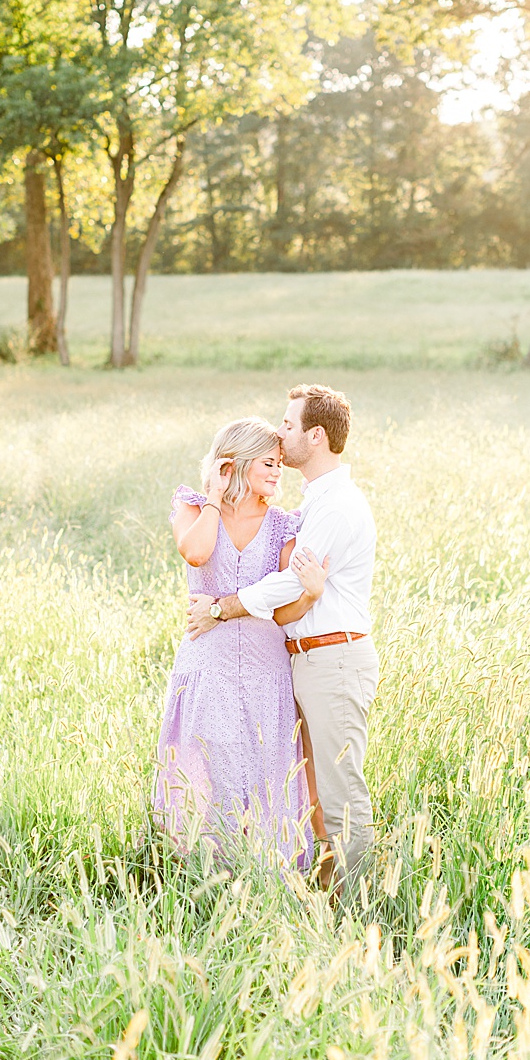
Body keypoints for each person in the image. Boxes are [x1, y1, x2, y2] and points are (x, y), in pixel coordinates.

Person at [187, 384, 377, 896]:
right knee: (315, 790)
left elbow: (291, 581)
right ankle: (326, 894)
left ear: (315, 437)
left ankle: (362, 904)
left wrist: (222, 608)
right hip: (309, 659)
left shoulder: (335, 506)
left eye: (289, 425)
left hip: (334, 657)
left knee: (339, 791)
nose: (281, 431)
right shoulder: (316, 501)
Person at [153, 417, 329, 874]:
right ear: (239, 462)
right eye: (268, 463)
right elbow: (196, 553)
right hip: (206, 665)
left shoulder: (282, 526)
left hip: (264, 668)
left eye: (279, 464)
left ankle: (266, 875)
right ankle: (208, 875)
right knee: (211, 768)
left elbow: (288, 599)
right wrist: (215, 495)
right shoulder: (191, 507)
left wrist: (304, 594)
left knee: (264, 770)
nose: (277, 472)